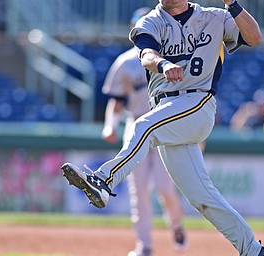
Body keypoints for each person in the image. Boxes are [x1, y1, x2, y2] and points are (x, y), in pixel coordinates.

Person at [61, 1, 264, 255]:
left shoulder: (215, 17)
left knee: (144, 126)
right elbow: (147, 55)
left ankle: (103, 179)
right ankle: (253, 249)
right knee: (202, 197)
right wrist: (163, 65)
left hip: (198, 101)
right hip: (166, 108)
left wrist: (233, 5)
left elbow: (254, 37)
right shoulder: (150, 20)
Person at [101, 7, 187, 256]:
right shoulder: (125, 62)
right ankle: (145, 245)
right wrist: (110, 125)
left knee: (165, 187)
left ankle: (177, 225)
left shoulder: (173, 56)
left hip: (164, 125)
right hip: (136, 124)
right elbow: (116, 101)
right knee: (138, 191)